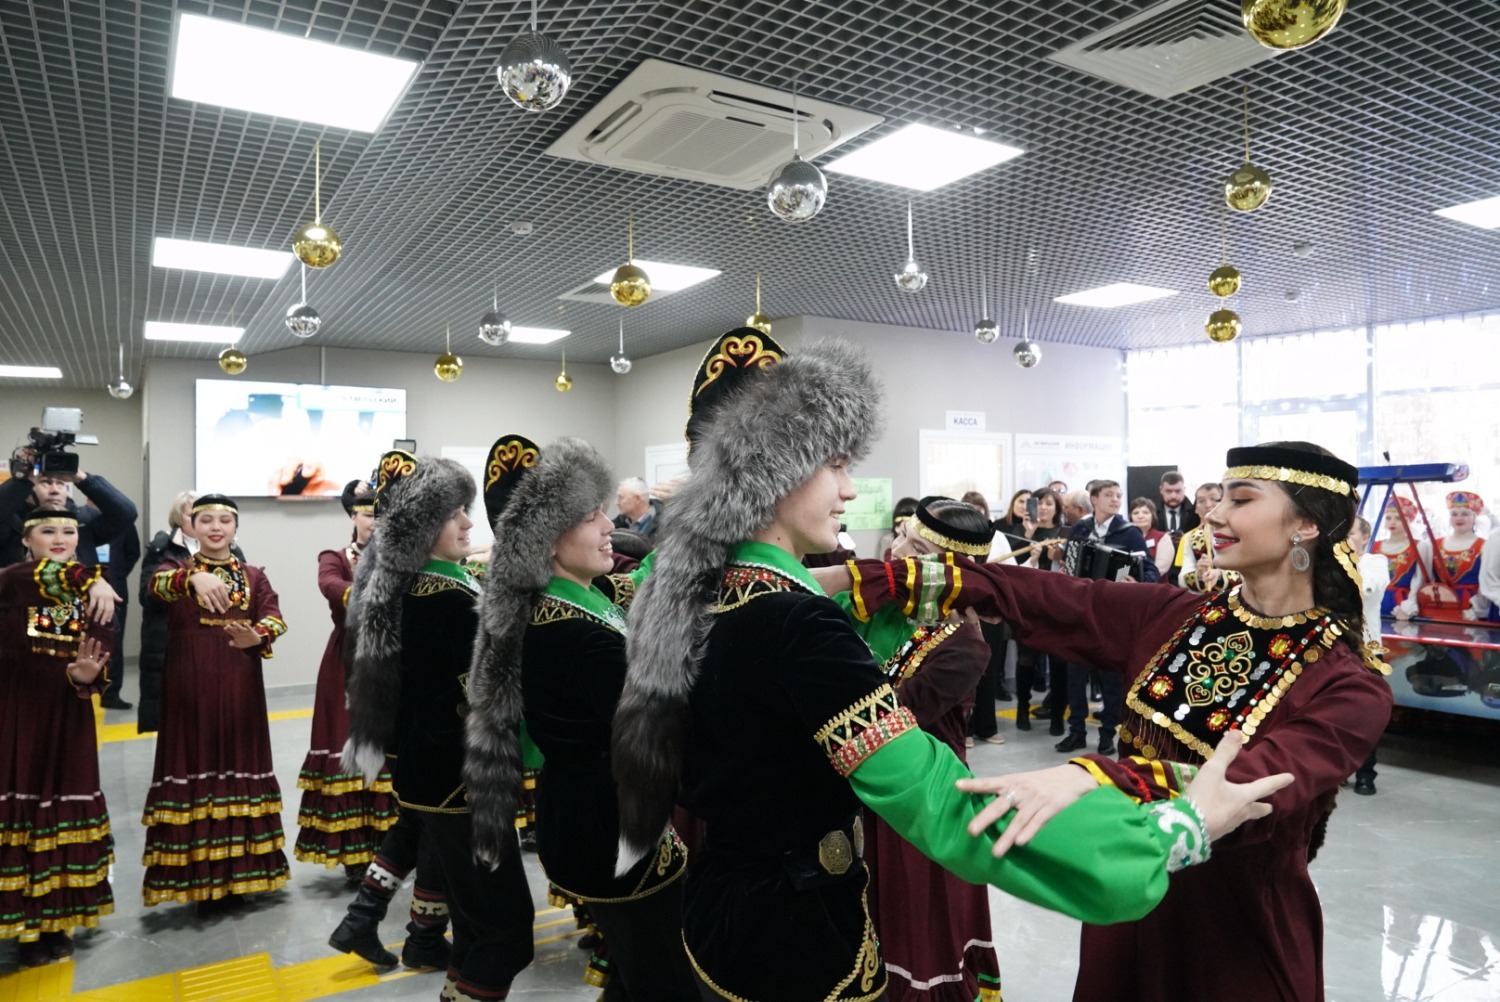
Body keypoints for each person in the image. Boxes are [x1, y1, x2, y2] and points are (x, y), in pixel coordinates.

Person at [610, 331, 1290, 1002]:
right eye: (835, 466)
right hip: (795, 942)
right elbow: (938, 797)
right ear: (774, 471)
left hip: (718, 919)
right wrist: (1158, 837)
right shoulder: (794, 622)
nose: (849, 490)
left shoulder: (688, 594)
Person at [841, 441, 1392, 1002]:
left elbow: (1257, 782)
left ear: (1305, 525)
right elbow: (1052, 596)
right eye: (1219, 497)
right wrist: (860, 579)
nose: (1214, 515)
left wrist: (1096, 776)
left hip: (1237, 932)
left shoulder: (1350, 685)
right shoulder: (1173, 616)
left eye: (1241, 500)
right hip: (1130, 911)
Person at [464, 434, 696, 999]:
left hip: (585, 819)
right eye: (591, 517)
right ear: (547, 539)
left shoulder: (564, 605)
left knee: (636, 972)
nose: (608, 527)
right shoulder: (571, 633)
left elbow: (636, 589)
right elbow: (660, 721)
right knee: (662, 978)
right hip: (610, 829)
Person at [343, 451, 534, 1002]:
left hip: (429, 778)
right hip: (464, 780)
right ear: (425, 524)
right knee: (503, 931)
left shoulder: (403, 587)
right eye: (455, 514)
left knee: (475, 926)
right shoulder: (448, 597)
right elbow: (487, 693)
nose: (469, 524)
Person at [832, 497, 1002, 1002]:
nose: (898, 550)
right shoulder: (874, 606)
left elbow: (895, 715)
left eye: (917, 548)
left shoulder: (964, 644)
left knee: (915, 924)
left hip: (920, 799)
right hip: (856, 785)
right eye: (902, 534)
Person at [141, 495, 290, 909]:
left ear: (235, 528)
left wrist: (258, 635)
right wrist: (194, 578)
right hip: (188, 688)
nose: (215, 527)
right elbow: (155, 588)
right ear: (192, 527)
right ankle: (195, 877)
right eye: (205, 520)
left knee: (239, 765)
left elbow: (274, 616)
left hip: (241, 684)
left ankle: (243, 873)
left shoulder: (254, 575)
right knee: (195, 764)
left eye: (224, 520)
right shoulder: (173, 570)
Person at [0, 509, 117, 966]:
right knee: (23, 808)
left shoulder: (93, 592)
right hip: (16, 712)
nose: (59, 537)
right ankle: (22, 926)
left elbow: (101, 645)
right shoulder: (12, 580)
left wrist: (89, 674)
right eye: (47, 530)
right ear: (26, 540)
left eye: (69, 531)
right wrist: (93, 578)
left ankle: (57, 920)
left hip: (68, 713)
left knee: (64, 807)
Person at [294, 480, 397, 879]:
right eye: (368, 514)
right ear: (353, 516)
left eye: (381, 514)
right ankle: (354, 853)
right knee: (345, 741)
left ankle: (394, 847)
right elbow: (330, 585)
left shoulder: (402, 557)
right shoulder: (334, 557)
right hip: (347, 661)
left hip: (391, 658)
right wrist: (375, 594)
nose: (374, 521)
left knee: (391, 745)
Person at [1056, 479, 1159, 756]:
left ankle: (1107, 734)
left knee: (1110, 679)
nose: (1115, 500)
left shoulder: (1129, 533)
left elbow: (1149, 571)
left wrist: (1136, 582)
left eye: (1118, 495)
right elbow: (1069, 564)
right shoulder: (1080, 529)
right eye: (1109, 495)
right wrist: (1067, 571)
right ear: (1094, 499)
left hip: (1113, 615)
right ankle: (1076, 731)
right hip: (1080, 613)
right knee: (1075, 677)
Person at [137, 492, 246, 734]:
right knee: (175, 724)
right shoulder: (162, 549)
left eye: (221, 519)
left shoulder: (233, 552)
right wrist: (189, 581)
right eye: (198, 516)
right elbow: (147, 595)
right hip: (171, 641)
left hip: (218, 644)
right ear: (180, 518)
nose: (212, 526)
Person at [0, 458, 138, 568]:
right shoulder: (8, 521)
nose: (55, 490)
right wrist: (22, 481)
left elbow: (126, 513)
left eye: (60, 483)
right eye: (45, 482)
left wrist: (81, 478)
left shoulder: (83, 520)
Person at [1017, 487, 1068, 734]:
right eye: (1039, 503)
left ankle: (1057, 715)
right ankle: (1022, 709)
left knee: (1059, 662)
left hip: (1058, 605)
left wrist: (1058, 556)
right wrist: (1028, 536)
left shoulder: (1064, 534)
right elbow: (1014, 568)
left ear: (1057, 508)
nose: (1044, 508)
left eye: (1049, 503)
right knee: (1026, 660)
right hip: (1029, 604)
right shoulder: (1024, 532)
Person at [1347, 515, 1389, 796]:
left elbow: (1367, 587)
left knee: (1367, 714)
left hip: (1367, 650)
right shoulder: (1324, 563)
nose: (1345, 539)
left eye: (1350, 533)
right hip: (1332, 647)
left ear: (1365, 537)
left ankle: (1365, 773)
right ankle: (1335, 770)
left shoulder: (1375, 562)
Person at [1414, 491, 1491, 622]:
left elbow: (1488, 584)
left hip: (1469, 609)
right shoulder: (1432, 545)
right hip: (1439, 606)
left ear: (1474, 517)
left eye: (1465, 514)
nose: (1459, 518)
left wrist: (1476, 609)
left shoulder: (1485, 546)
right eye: (1454, 514)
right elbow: (1423, 580)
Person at [1170, 483, 1233, 590]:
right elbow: (1181, 578)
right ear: (1196, 508)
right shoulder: (1191, 537)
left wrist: (1220, 575)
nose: (1208, 505)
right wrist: (1198, 574)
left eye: (1214, 499)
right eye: (1201, 501)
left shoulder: (1237, 532)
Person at [1379, 497, 1424, 621]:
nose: (1392, 522)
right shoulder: (1374, 546)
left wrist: (1409, 606)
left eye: (1398, 518)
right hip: (1375, 602)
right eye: (1388, 518)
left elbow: (1419, 580)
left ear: (1409, 520)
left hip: (1400, 606)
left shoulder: (1418, 546)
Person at [1129, 496, 1172, 580]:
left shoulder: (1162, 537)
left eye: (1145, 512)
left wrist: (1139, 582)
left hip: (1155, 585)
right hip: (1127, 583)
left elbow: (1160, 569)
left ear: (1152, 516)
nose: (1140, 516)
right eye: (1136, 513)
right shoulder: (1126, 537)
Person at [1154, 470, 1198, 542]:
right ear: (1161, 490)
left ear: (1184, 490)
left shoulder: (1195, 512)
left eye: (1178, 491)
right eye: (1168, 491)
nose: (1173, 496)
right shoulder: (1151, 512)